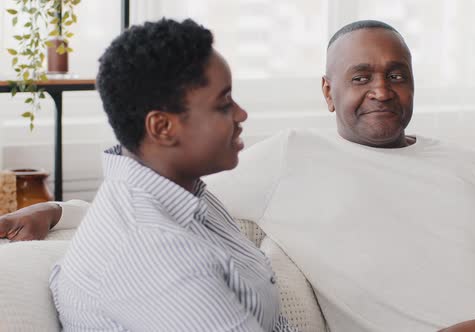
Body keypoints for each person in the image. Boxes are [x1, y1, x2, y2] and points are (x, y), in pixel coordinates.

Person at [0, 20, 475, 332]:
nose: (382, 90)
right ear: (327, 91)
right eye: (361, 76)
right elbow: (149, 202)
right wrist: (63, 210)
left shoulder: (474, 165)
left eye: (398, 74)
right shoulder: (288, 159)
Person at [21, 18, 293, 332]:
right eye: (224, 104)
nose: (241, 114)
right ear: (162, 128)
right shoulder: (156, 254)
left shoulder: (181, 193)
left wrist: (56, 211)